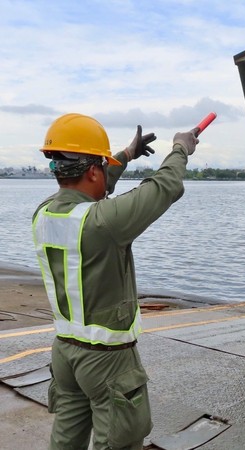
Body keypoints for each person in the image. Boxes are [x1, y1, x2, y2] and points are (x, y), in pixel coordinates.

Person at [32, 113, 200, 450]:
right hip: (107, 360)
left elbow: (96, 187)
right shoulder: (102, 223)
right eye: (102, 167)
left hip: (66, 353)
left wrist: (125, 154)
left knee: (66, 438)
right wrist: (181, 148)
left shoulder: (45, 214)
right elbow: (164, 187)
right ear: (93, 170)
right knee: (120, 442)